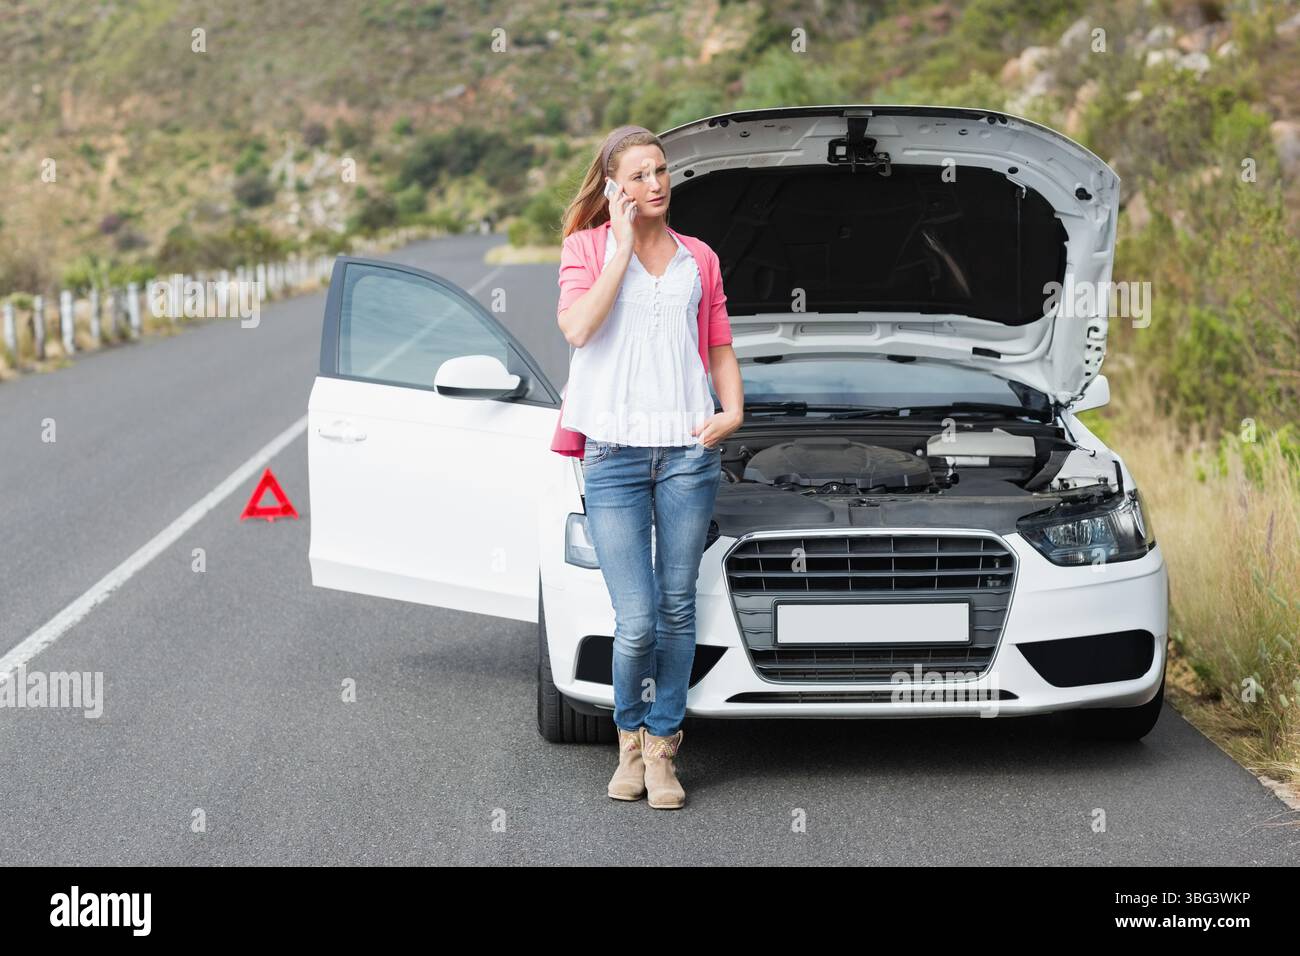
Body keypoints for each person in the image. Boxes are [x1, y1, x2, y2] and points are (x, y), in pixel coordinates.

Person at [551, 124, 744, 809]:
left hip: (689, 451)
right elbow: (578, 328)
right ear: (612, 187)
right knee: (634, 619)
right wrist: (621, 247)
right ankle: (627, 737)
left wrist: (733, 409)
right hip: (613, 456)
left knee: (676, 606)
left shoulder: (700, 258)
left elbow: (719, 339)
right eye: (638, 175)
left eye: (661, 170)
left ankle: (663, 749)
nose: (656, 184)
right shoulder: (585, 249)